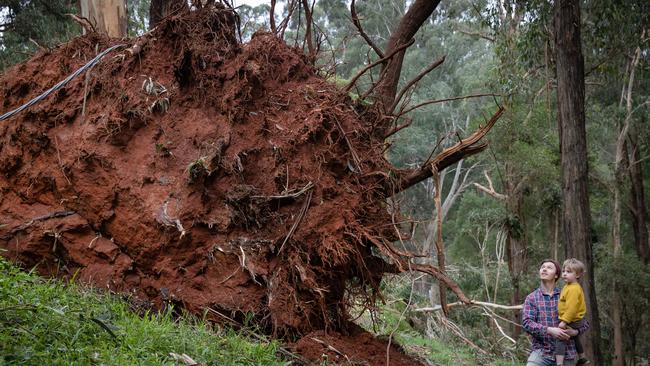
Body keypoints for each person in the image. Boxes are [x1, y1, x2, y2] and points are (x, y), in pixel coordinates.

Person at [522, 259, 589, 366]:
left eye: (549, 267)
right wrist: (549, 330)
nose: (544, 269)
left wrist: (575, 332)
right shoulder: (531, 298)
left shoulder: (567, 294)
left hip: (567, 354)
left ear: (557, 275)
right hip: (541, 353)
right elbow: (527, 323)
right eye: (542, 267)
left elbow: (584, 322)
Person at [555, 258, 590, 366]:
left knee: (560, 337)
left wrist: (564, 321)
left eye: (569, 272)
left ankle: (559, 363)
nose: (565, 274)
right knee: (575, 336)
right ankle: (582, 358)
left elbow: (572, 308)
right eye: (564, 271)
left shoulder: (574, 289)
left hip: (572, 319)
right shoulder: (568, 286)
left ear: (578, 275)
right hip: (573, 319)